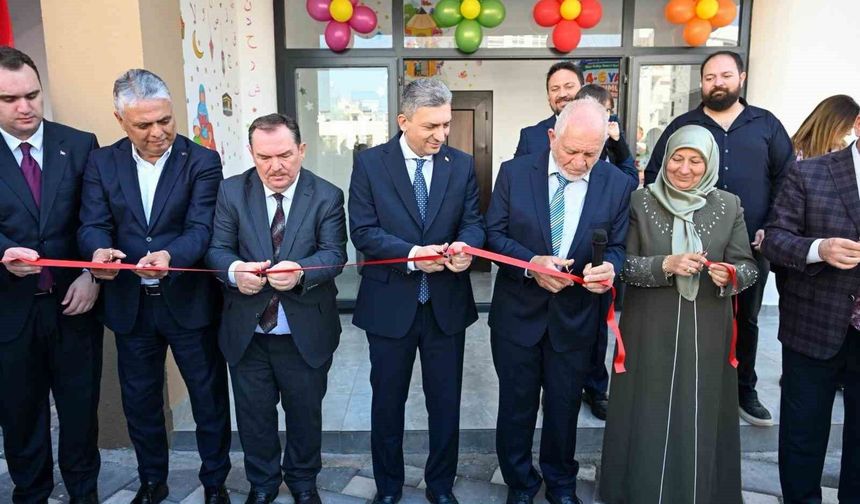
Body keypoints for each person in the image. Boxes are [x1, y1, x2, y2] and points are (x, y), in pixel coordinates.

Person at [78, 69, 230, 504]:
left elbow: (202, 227)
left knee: (208, 400)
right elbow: (92, 223)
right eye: (143, 125)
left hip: (189, 304)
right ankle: (151, 481)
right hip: (130, 305)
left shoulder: (202, 160)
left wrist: (171, 257)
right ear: (119, 120)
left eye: (165, 120)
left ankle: (215, 483)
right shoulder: (101, 162)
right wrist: (98, 253)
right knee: (141, 402)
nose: (158, 132)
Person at [486, 97, 637, 504]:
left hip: (576, 318)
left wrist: (610, 270)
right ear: (553, 136)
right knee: (516, 407)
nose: (579, 162)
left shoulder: (617, 184)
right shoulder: (514, 174)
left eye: (591, 153)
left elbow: (621, 247)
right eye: (571, 151)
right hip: (517, 315)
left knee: (564, 408)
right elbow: (493, 235)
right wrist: (530, 264)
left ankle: (561, 483)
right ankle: (520, 482)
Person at [599, 125, 759, 504]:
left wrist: (731, 274)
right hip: (649, 324)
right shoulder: (640, 201)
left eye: (695, 160)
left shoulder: (729, 205)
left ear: (710, 164)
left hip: (706, 325)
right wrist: (665, 264)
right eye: (677, 158)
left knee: (700, 406)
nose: (684, 169)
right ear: (665, 157)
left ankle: (698, 492)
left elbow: (748, 266)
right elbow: (622, 265)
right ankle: (637, 490)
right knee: (648, 405)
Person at [348, 78, 485, 504]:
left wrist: (467, 247)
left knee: (445, 405)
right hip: (389, 305)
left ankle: (440, 486)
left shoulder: (459, 165)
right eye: (431, 127)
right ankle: (388, 488)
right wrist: (410, 254)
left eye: (446, 125)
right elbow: (363, 231)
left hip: (446, 306)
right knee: (387, 404)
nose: (441, 136)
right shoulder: (370, 164)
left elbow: (474, 222)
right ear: (403, 120)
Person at [644, 50, 794, 426]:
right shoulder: (683, 125)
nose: (717, 83)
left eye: (725, 76)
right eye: (710, 77)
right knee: (683, 315)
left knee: (746, 318)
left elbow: (788, 180)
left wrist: (773, 226)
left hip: (748, 243)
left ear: (741, 77)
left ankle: (743, 389)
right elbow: (654, 175)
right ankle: (686, 386)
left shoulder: (766, 125)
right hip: (684, 241)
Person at [205, 113, 347, 504]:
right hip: (248, 332)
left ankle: (303, 483)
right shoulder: (232, 192)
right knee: (254, 417)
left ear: (301, 150)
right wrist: (235, 273)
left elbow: (335, 254)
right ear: (251, 153)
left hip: (305, 330)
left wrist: (302, 271)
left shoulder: (327, 195)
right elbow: (217, 249)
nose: (276, 166)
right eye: (264, 157)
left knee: (305, 415)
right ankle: (263, 484)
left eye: (284, 154)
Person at [0, 46, 103, 504]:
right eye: (9, 99)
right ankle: (32, 492)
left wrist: (91, 274)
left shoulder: (79, 144)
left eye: (32, 95)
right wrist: (4, 253)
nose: (25, 107)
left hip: (74, 306)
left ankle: (84, 493)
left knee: (80, 412)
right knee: (21, 415)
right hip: (10, 310)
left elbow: (96, 219)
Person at [761, 111, 860, 504]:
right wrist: (819, 249)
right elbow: (774, 240)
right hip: (814, 326)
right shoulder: (811, 173)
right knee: (803, 435)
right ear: (858, 123)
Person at [571, 84, 636, 419]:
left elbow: (629, 179)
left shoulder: (613, 142)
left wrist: (616, 141)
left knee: (597, 329)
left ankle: (596, 388)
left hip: (599, 250)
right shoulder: (556, 133)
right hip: (562, 252)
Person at [513, 61, 584, 158]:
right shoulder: (530, 137)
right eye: (555, 89)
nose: (562, 94)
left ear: (583, 90)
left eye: (569, 86)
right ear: (548, 97)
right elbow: (517, 171)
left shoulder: (604, 130)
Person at [573, 83, 638, 182]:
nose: (605, 116)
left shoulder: (611, 130)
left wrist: (617, 140)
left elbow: (631, 178)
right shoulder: (574, 141)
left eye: (607, 110)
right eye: (599, 109)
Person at [792, 94, 860, 160]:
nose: (849, 133)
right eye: (846, 127)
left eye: (850, 128)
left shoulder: (844, 154)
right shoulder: (792, 151)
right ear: (831, 123)